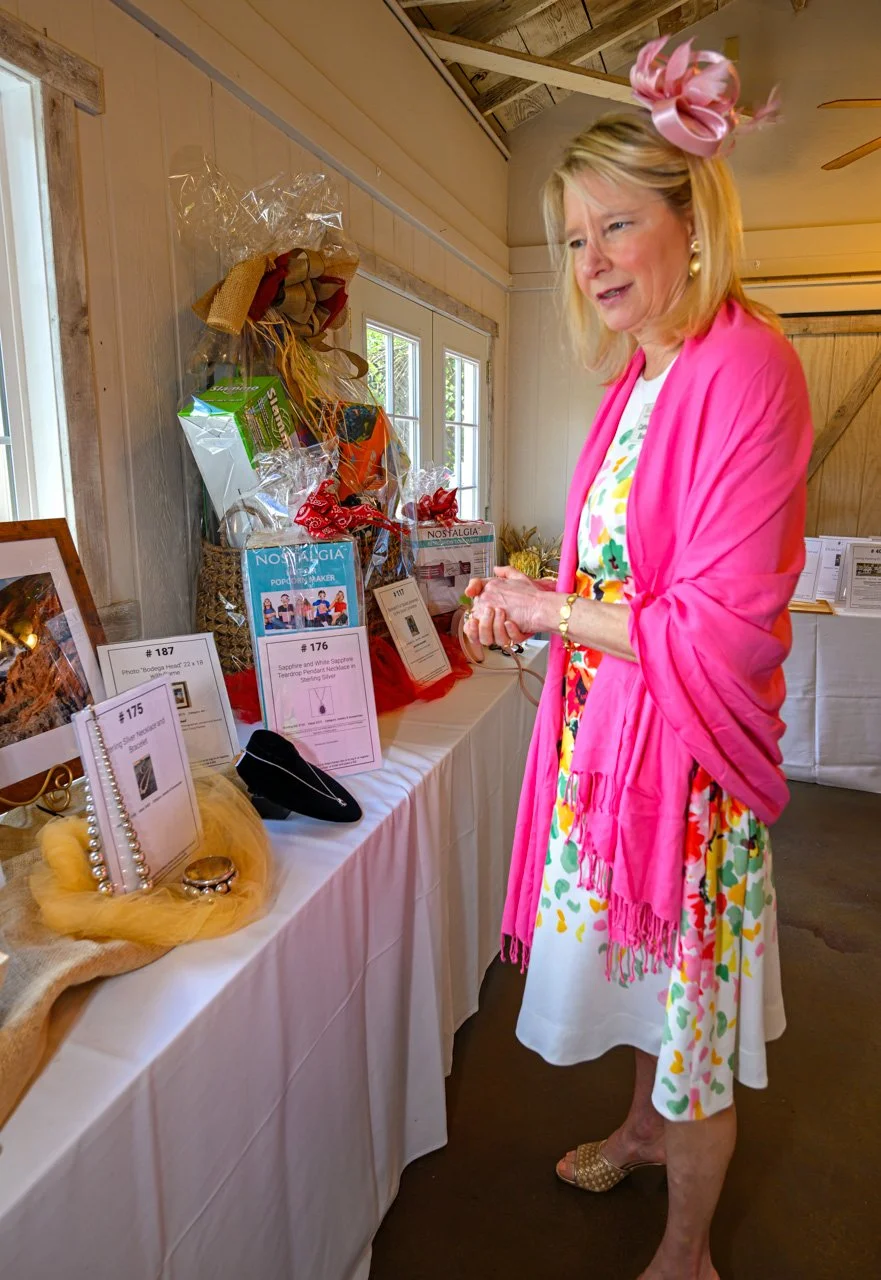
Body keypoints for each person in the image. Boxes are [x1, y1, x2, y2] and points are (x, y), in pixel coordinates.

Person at [464, 38, 811, 1280]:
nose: (591, 259)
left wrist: (548, 610)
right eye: (572, 237)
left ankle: (685, 1250)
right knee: (643, 983)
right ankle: (642, 1129)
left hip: (693, 773)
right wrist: (530, 605)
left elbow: (716, 627)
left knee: (692, 1022)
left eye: (616, 225)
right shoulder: (640, 380)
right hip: (613, 747)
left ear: (690, 223)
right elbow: (617, 583)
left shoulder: (746, 365)